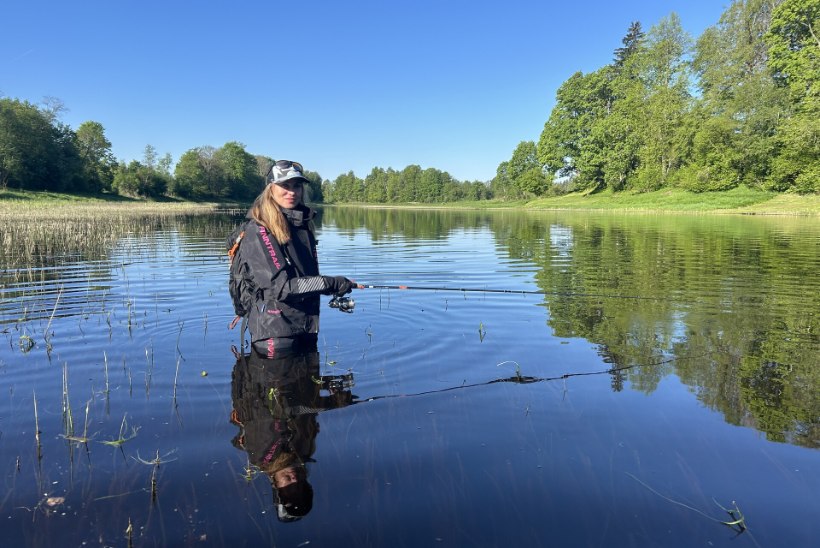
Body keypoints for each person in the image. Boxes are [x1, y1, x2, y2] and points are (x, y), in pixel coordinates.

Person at [229, 160, 355, 357]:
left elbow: (304, 279)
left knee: (310, 387)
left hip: (305, 325)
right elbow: (280, 287)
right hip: (275, 333)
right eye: (284, 186)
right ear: (270, 188)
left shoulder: (301, 224)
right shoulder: (259, 230)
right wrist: (331, 283)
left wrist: (337, 285)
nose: (292, 191)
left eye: (297, 185)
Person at [229, 348, 355, 522]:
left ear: (276, 485)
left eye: (289, 488)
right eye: (300, 487)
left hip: (268, 364)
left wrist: (331, 403)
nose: (294, 480)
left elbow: (281, 411)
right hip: (299, 364)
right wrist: (333, 394)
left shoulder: (262, 454)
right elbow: (305, 409)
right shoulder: (303, 452)